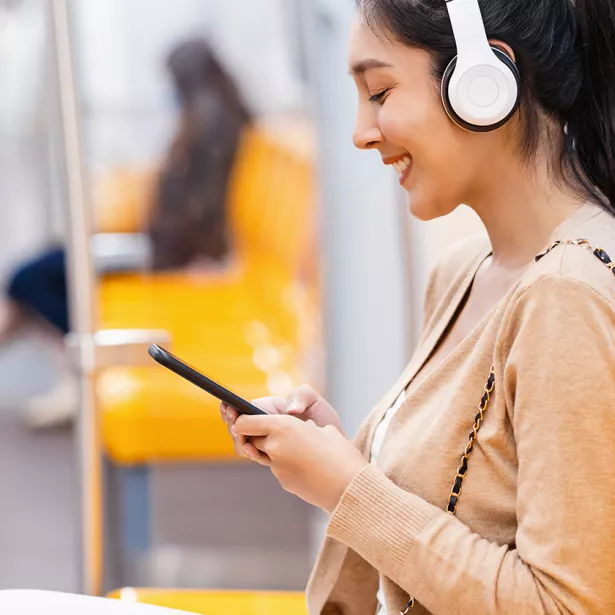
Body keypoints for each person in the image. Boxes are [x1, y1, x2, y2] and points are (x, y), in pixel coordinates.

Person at [221, 0, 615, 613]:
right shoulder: (462, 272)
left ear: (484, 83)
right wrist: (348, 459)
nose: (361, 132)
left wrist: (348, 487)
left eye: (379, 91)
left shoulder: (567, 297)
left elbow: (567, 606)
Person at [0, 38, 251, 428]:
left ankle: (76, 374)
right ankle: (71, 376)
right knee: (35, 276)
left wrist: (204, 258)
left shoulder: (210, 129)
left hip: (166, 257)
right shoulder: (213, 121)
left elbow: (205, 213)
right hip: (157, 247)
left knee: (28, 278)